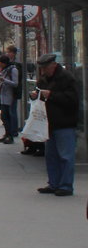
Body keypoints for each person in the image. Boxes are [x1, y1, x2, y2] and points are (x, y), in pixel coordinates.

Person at [32, 53, 79, 196]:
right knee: (51, 156)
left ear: (53, 65)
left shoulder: (66, 78)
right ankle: (53, 183)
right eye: (41, 68)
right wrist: (36, 95)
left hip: (64, 123)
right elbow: (41, 96)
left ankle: (65, 186)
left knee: (65, 156)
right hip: (49, 123)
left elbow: (72, 100)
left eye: (45, 68)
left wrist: (51, 95)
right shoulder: (44, 79)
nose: (43, 71)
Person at [0, 54, 19, 144]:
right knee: (3, 116)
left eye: (1, 63)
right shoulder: (4, 70)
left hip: (10, 95)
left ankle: (10, 135)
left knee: (8, 115)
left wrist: (4, 80)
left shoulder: (13, 70)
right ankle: (7, 133)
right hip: (3, 95)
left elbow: (15, 83)